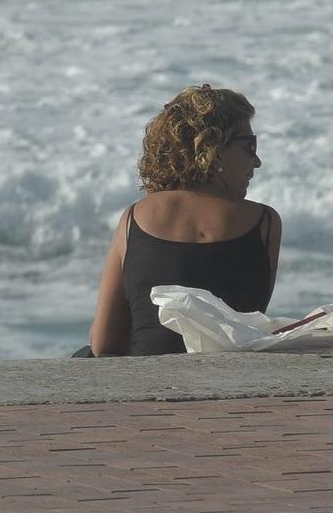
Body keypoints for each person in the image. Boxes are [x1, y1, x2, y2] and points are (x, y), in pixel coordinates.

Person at [84, 83, 281, 356]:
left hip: (145, 384)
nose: (257, 161)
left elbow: (104, 345)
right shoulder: (264, 222)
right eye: (250, 146)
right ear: (213, 148)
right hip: (228, 383)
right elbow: (244, 333)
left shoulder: (134, 218)